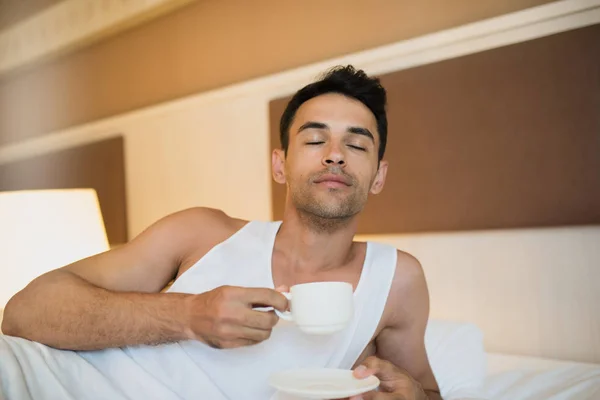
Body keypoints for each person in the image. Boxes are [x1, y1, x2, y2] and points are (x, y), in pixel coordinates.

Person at [0, 65, 441, 400]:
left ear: (379, 175)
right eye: (313, 140)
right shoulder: (202, 232)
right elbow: (23, 312)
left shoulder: (397, 279)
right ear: (279, 164)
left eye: (357, 144)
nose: (335, 156)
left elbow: (423, 391)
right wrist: (189, 315)